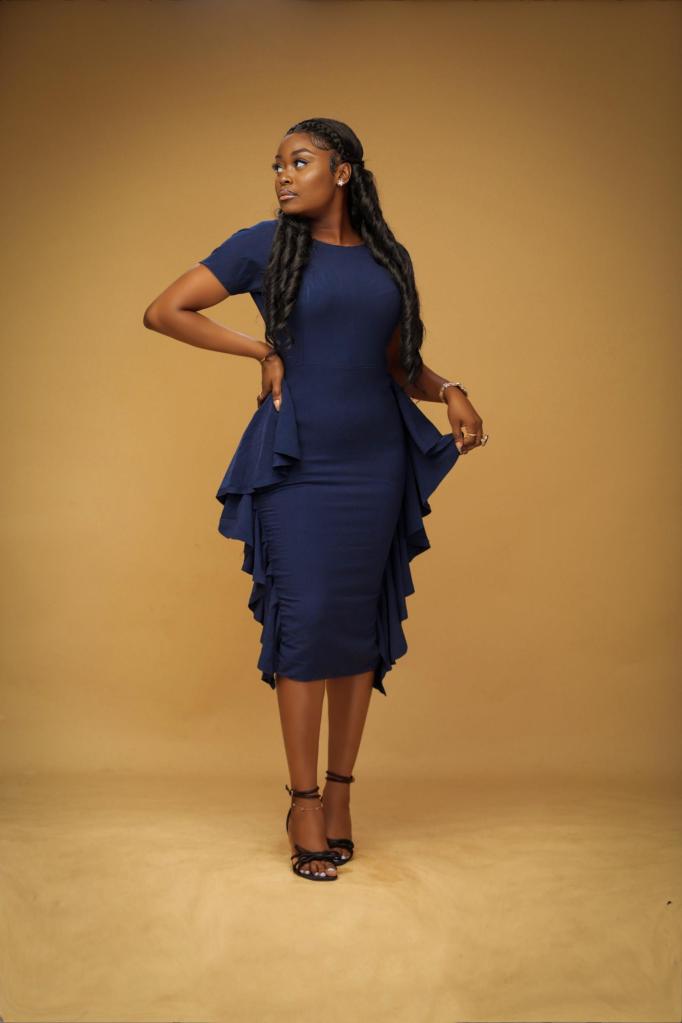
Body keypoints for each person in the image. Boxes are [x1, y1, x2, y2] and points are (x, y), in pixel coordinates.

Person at [143, 117, 488, 883]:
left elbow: (399, 366)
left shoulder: (388, 259)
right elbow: (166, 309)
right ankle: (301, 802)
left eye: (298, 161)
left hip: (375, 461)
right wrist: (260, 348)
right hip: (296, 461)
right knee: (304, 624)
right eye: (276, 164)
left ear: (342, 171)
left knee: (356, 630)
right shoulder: (263, 245)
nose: (281, 175)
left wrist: (451, 390)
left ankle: (340, 795)